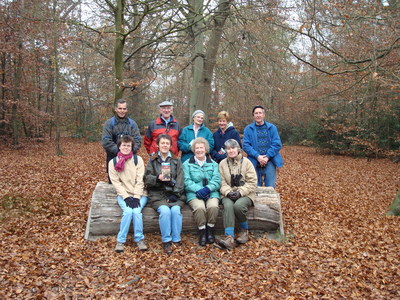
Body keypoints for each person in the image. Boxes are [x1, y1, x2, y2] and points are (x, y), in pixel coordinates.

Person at [144, 134, 185, 255]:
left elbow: (181, 179)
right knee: (165, 211)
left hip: (173, 194)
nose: (165, 145)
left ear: (171, 146)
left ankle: (176, 239)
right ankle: (166, 240)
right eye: (162, 143)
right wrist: (157, 178)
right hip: (158, 194)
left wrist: (176, 194)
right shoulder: (153, 160)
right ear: (157, 145)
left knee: (176, 210)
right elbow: (146, 178)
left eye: (167, 143)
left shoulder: (176, 161)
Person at [108, 135, 148, 253]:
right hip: (124, 195)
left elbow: (140, 180)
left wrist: (136, 197)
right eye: (123, 145)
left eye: (128, 145)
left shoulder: (138, 160)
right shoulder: (113, 162)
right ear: (119, 146)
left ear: (132, 147)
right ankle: (120, 241)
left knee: (136, 211)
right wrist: (126, 197)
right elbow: (116, 182)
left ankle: (139, 239)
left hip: (139, 194)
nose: (126, 147)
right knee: (128, 211)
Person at [218, 139, 257, 250]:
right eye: (228, 149)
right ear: (225, 151)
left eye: (233, 148)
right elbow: (221, 182)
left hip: (246, 193)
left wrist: (240, 192)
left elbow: (252, 182)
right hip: (228, 193)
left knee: (238, 206)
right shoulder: (222, 164)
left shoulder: (247, 163)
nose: (231, 151)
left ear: (238, 149)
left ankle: (244, 231)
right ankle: (229, 236)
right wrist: (228, 192)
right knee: (228, 205)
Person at [183, 137, 221, 246]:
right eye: (197, 148)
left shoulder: (213, 164)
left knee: (213, 206)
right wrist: (199, 189)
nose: (199, 150)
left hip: (211, 192)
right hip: (194, 193)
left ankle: (210, 229)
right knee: (200, 208)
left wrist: (207, 189)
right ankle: (202, 232)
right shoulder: (187, 164)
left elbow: (217, 180)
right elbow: (186, 181)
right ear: (194, 150)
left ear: (206, 149)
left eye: (201, 148)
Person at [243, 105, 284, 188]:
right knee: (254, 186)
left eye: (260, 113)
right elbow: (245, 145)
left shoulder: (272, 128)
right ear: (253, 116)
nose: (258, 115)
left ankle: (269, 201)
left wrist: (267, 156)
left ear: (264, 115)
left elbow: (277, 144)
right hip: (254, 161)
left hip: (270, 160)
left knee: (270, 186)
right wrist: (257, 156)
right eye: (256, 113)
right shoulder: (248, 129)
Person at [102, 99, 142, 182]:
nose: (122, 111)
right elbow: (106, 141)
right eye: (120, 108)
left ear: (127, 110)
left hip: (130, 159)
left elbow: (138, 140)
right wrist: (120, 151)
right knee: (114, 184)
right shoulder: (109, 123)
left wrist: (129, 151)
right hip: (113, 158)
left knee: (130, 182)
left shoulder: (132, 124)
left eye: (124, 109)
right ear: (116, 109)